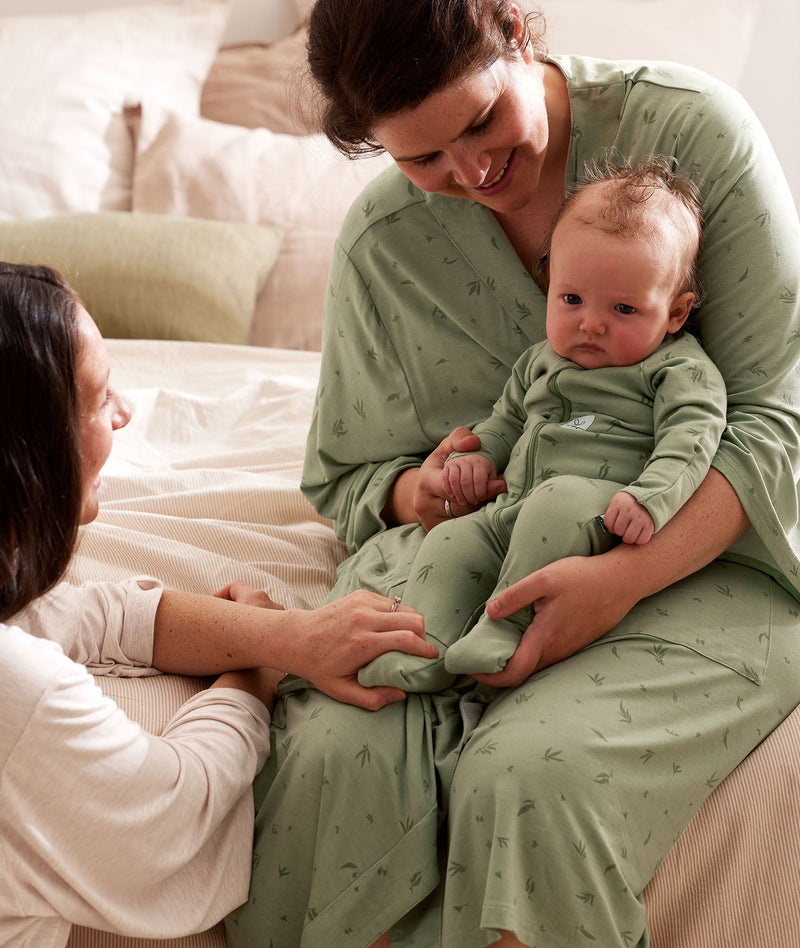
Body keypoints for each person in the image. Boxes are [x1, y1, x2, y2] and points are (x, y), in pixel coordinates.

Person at [226, 2, 800, 946]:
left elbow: (775, 424)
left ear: (518, 39)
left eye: (482, 122)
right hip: (471, 565)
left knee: (530, 775)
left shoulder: (697, 138)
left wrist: (619, 581)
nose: (469, 172)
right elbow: (349, 476)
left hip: (696, 559)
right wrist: (431, 487)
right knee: (337, 752)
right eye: (422, 159)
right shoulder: (383, 244)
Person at [0, 262, 436, 947]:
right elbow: (176, 816)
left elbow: (99, 616)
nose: (125, 412)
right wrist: (254, 677)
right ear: (24, 444)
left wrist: (287, 635)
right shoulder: (20, 693)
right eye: (95, 397)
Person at [359, 157, 728, 692]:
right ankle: (428, 640)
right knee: (452, 545)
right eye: (571, 299)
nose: (591, 323)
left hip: (595, 511)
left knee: (555, 507)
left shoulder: (678, 369)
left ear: (675, 313)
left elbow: (691, 441)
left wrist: (650, 497)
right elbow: (505, 421)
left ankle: (505, 624)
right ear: (550, 284)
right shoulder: (541, 361)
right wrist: (477, 457)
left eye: (624, 308)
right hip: (510, 507)